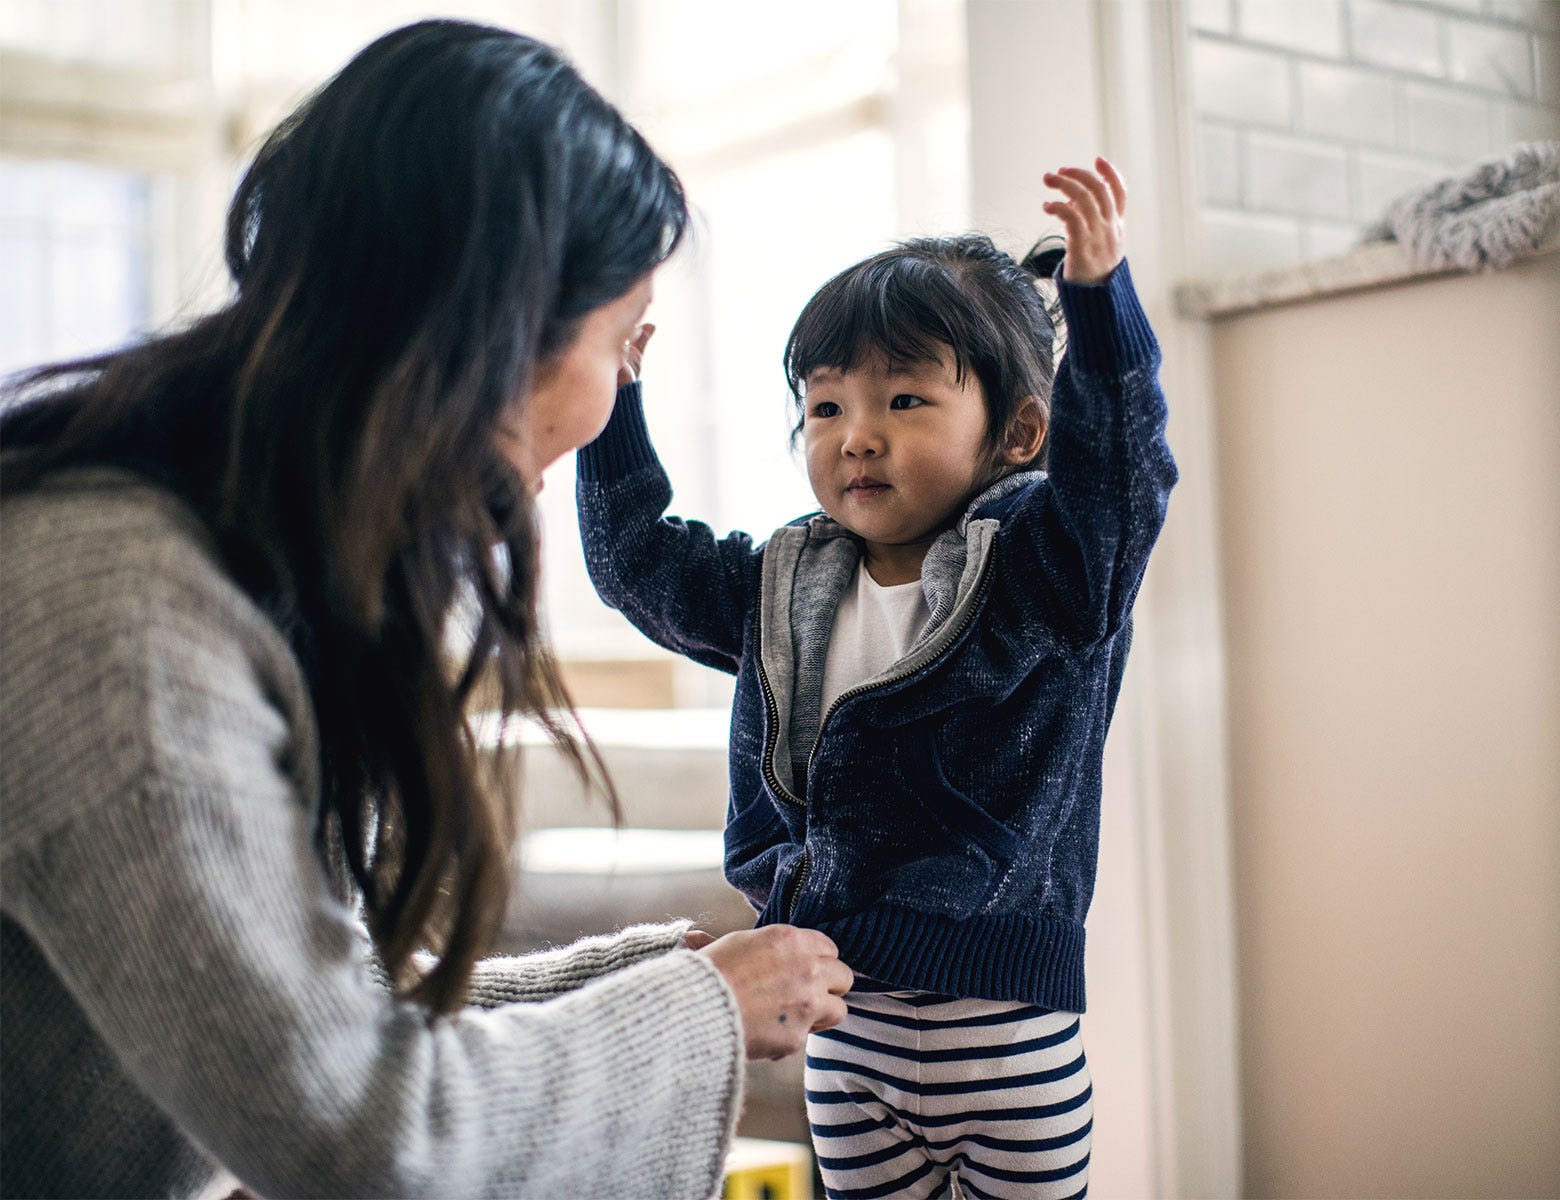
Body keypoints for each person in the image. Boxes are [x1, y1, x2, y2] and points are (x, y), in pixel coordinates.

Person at [0, 19, 853, 1200]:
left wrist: (660, 981)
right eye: (622, 342)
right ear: (496, 331)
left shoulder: (246, 557)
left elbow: (326, 1010)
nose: (613, 399)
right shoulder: (123, 621)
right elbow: (362, 1129)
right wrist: (699, 1013)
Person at [577, 158, 1177, 1199]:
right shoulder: (783, 582)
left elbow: (1121, 483)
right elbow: (638, 565)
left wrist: (1103, 307)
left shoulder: (1047, 573)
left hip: (1011, 1051)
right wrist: (614, 402)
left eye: (904, 400)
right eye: (824, 407)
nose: (857, 434)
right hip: (849, 1049)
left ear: (1020, 432)